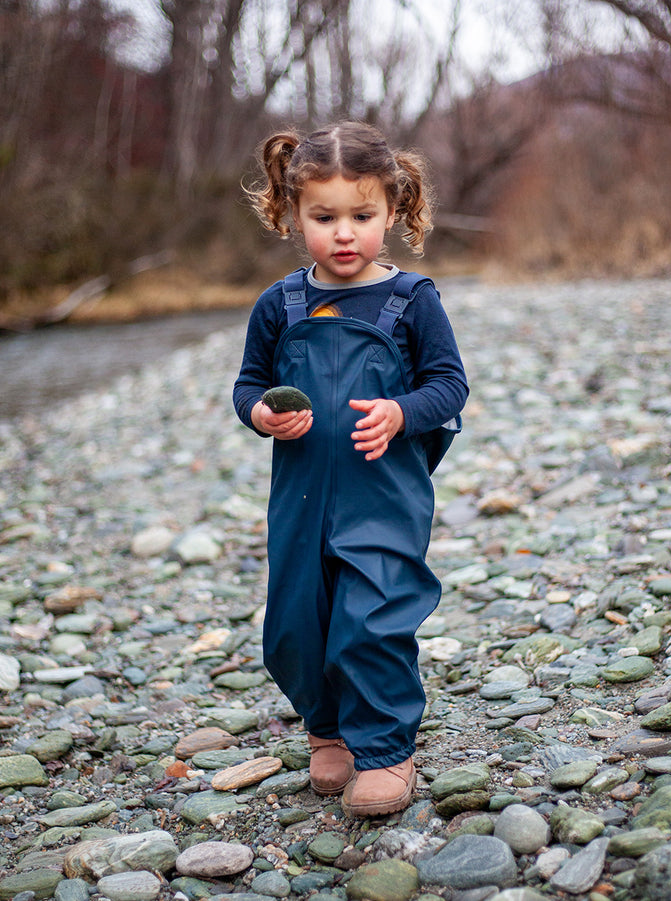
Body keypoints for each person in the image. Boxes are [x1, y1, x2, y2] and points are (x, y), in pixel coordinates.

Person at [232, 121, 468, 817]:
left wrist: (401, 412)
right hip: (301, 497)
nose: (344, 234)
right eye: (324, 217)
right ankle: (327, 727)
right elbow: (248, 385)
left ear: (391, 212)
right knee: (296, 624)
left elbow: (449, 385)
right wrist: (261, 416)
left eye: (361, 216)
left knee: (373, 617)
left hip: (383, 495)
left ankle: (388, 747)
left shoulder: (412, 300)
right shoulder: (281, 304)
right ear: (291, 212)